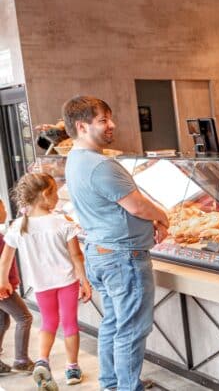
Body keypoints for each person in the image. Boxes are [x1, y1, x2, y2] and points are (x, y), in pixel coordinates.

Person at [62, 96, 169, 391]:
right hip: (124, 258)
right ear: (82, 126)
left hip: (100, 252)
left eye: (110, 118)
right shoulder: (101, 165)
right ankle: (127, 387)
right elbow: (136, 206)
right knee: (131, 330)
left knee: (113, 323)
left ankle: (112, 383)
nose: (112, 125)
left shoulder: (74, 159)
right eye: (103, 120)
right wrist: (163, 218)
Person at [0, 173, 90, 390]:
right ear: (44, 195)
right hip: (66, 281)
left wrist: (3, 281)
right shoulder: (62, 222)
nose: (58, 197)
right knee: (69, 323)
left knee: (48, 322)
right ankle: (72, 368)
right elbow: (77, 256)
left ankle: (42, 361)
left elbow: (5, 259)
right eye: (55, 192)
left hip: (40, 285)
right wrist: (84, 280)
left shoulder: (18, 226)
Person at [0, 199, 34, 375]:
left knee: (2, 322)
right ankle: (21, 360)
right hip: (3, 289)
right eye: (3, 207)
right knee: (24, 317)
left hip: (4, 286)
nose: (5, 210)